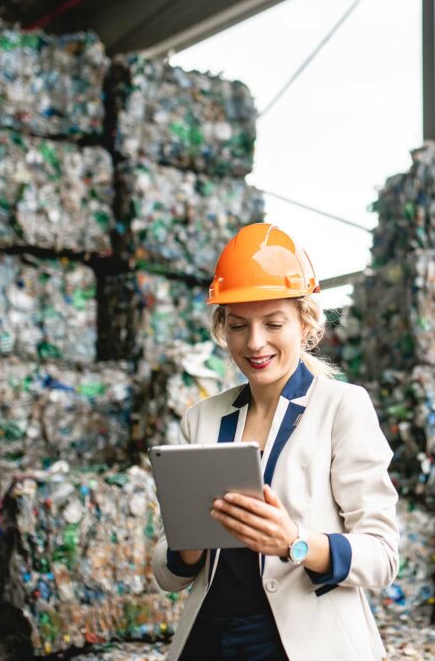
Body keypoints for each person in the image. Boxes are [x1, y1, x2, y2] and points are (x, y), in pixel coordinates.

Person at [152, 223, 400, 660]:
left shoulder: (342, 407)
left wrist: (295, 542)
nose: (255, 342)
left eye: (273, 323)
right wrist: (186, 546)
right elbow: (169, 574)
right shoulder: (202, 419)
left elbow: (381, 556)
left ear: (305, 323)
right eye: (238, 326)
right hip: (208, 640)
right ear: (221, 328)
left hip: (300, 645)